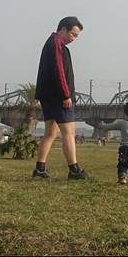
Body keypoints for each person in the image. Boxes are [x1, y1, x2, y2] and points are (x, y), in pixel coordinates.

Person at [33, 16, 87, 180]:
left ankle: (40, 169)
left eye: (76, 36)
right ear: (63, 29)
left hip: (48, 95)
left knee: (51, 132)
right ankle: (74, 170)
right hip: (58, 97)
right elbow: (59, 70)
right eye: (73, 34)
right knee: (69, 132)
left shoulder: (53, 43)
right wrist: (66, 95)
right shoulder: (56, 43)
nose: (73, 38)